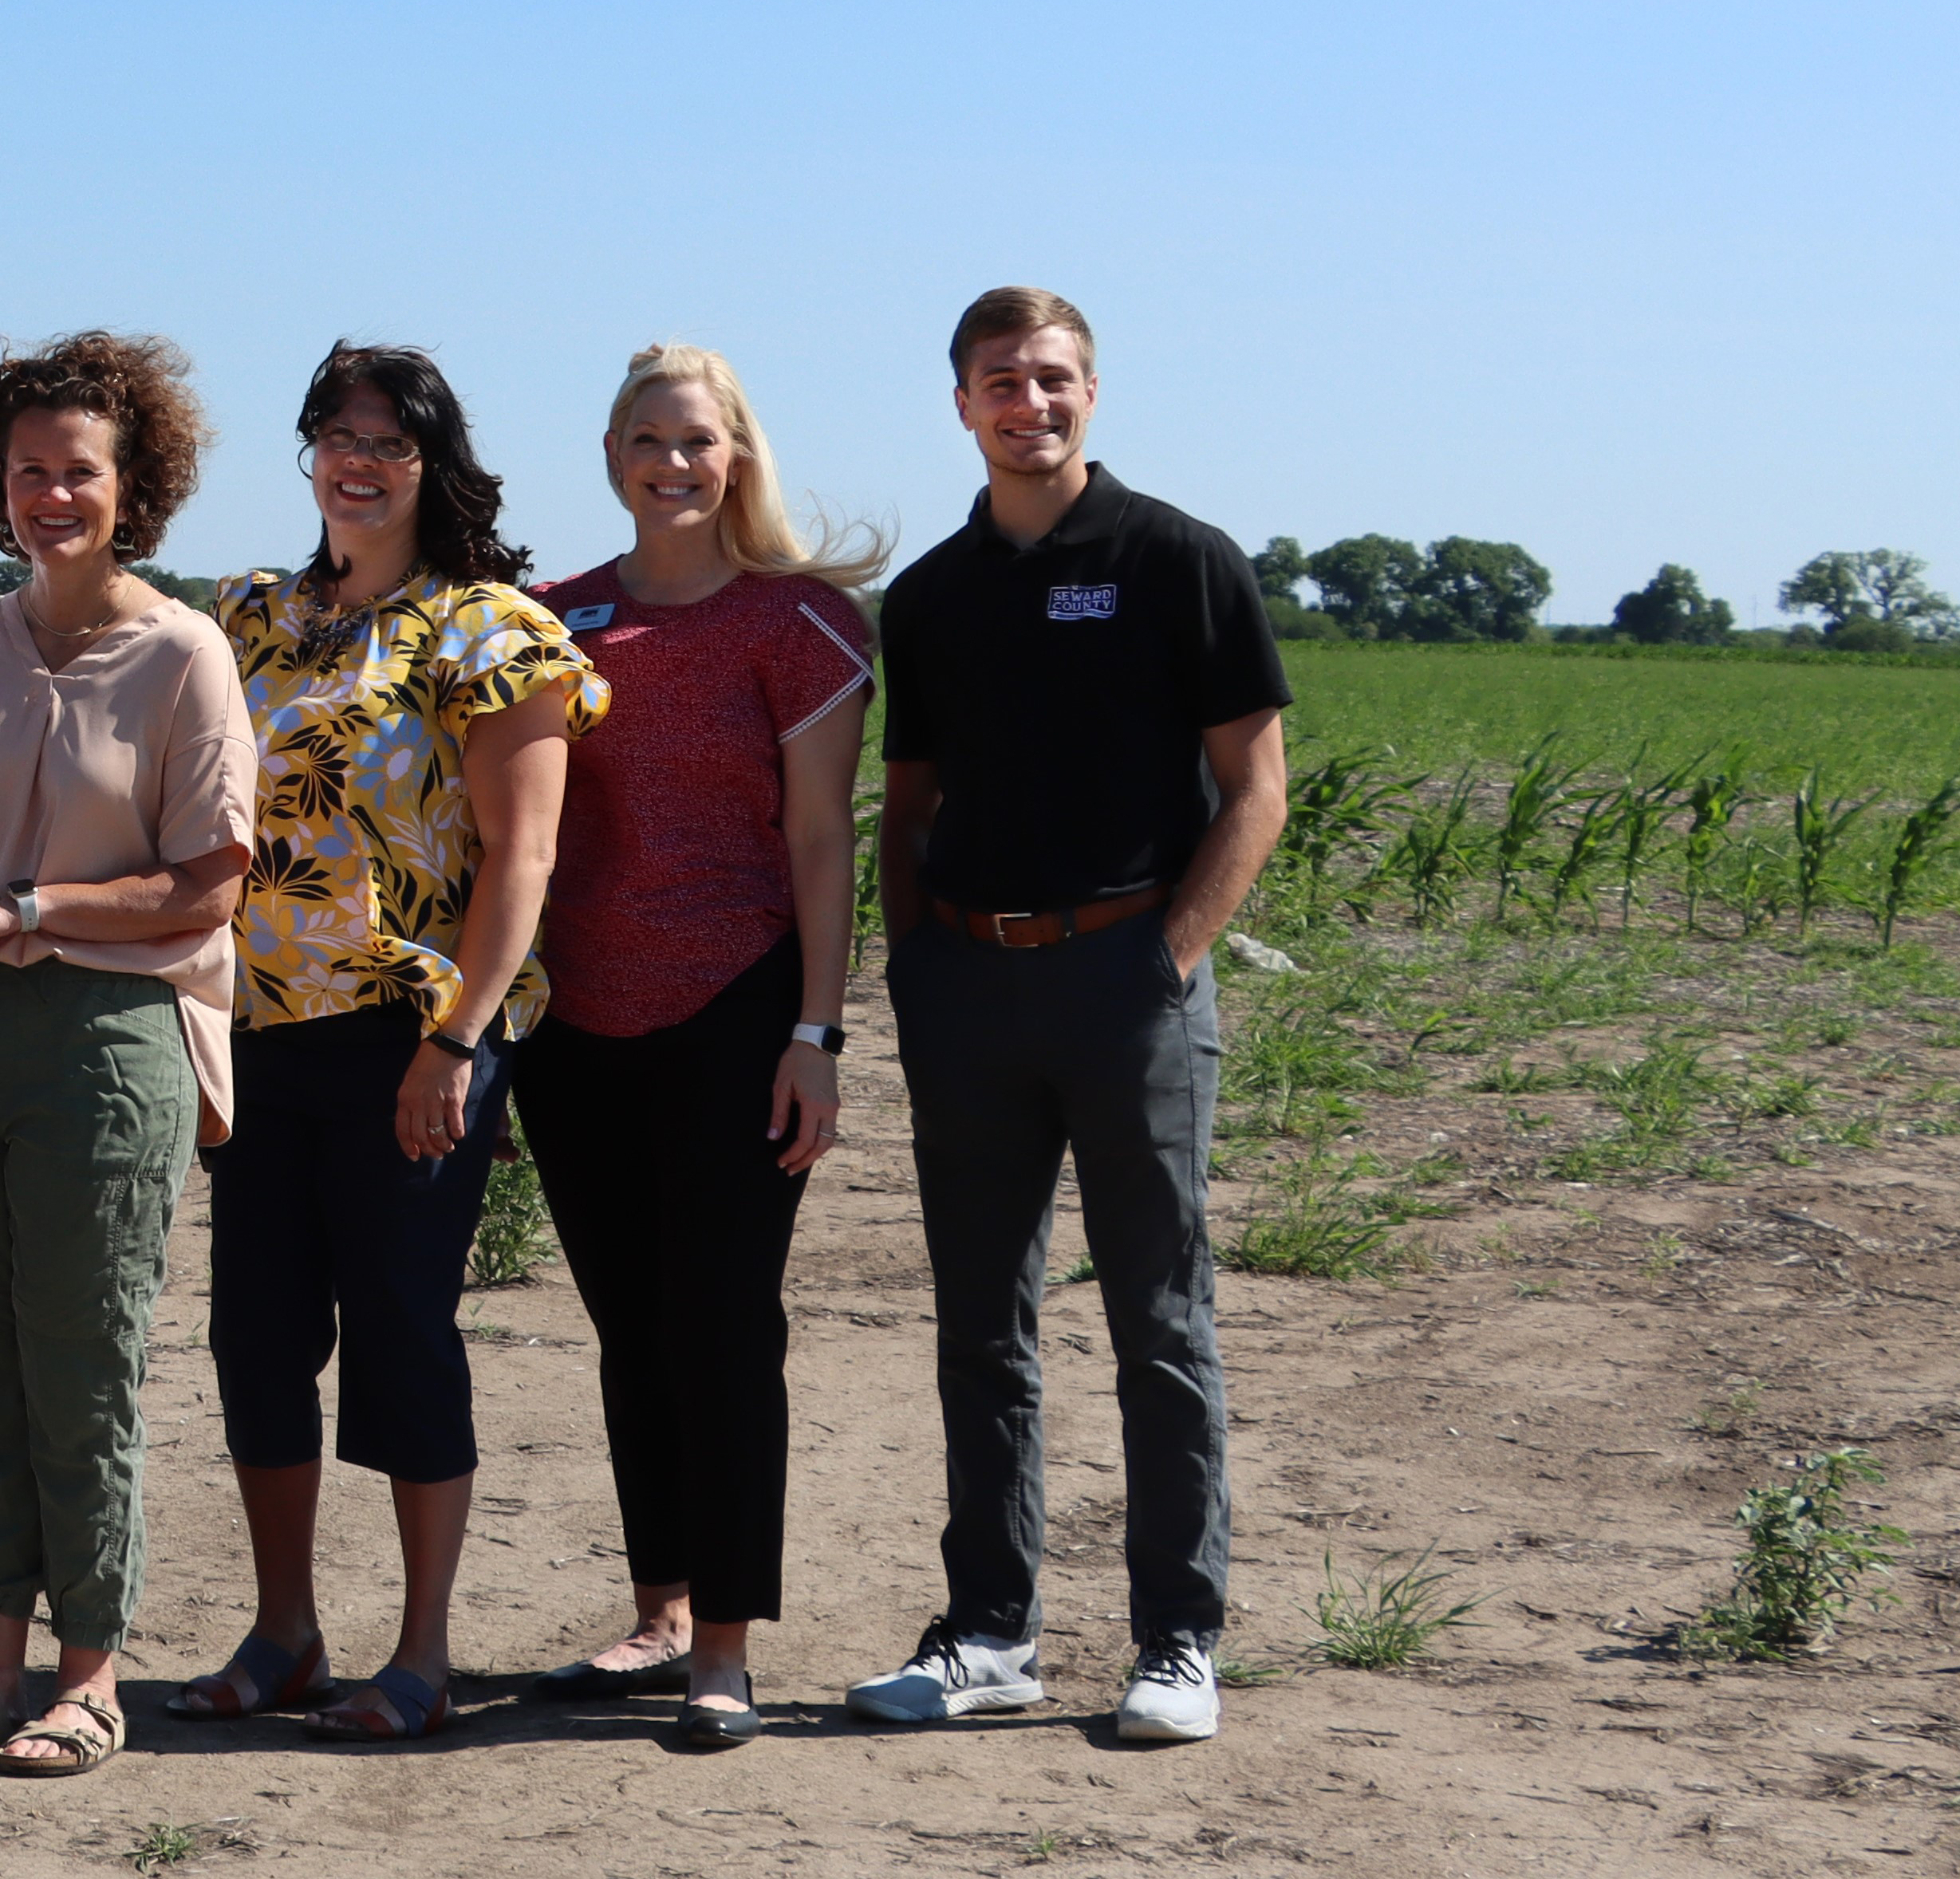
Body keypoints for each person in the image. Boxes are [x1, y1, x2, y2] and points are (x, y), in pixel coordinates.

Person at [846, 288, 1289, 1750]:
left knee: (1160, 1320)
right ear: (960, 405)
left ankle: (1179, 1641)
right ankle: (990, 1633)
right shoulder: (934, 594)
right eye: (998, 382)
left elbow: (1255, 793)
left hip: (1128, 983)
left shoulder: (1181, 564)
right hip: (973, 985)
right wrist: (918, 962)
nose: (1026, 404)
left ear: (1092, 394)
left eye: (1050, 380)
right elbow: (907, 806)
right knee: (983, 1328)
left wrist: (1164, 962)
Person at [164, 343, 595, 1749]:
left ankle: (423, 1652)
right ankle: (285, 1630)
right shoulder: (249, 618)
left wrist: (458, 1039)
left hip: (414, 1043)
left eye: (388, 442)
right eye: (335, 436)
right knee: (258, 1338)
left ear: (434, 464)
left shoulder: (489, 631)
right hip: (260, 1037)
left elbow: (519, 862)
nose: (358, 461)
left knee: (403, 1332)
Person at [0, 333, 254, 1782]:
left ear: (131, 483)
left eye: (78, 471)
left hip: (112, 1035)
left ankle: (88, 1679)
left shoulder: (184, 653)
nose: (51, 496)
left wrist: (25, 908)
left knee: (83, 1362)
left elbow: (206, 887)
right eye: (27, 472)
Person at [508, 345, 878, 1754]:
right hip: (574, 1020)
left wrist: (817, 1034)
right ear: (611, 455)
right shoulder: (553, 620)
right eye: (649, 438)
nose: (675, 461)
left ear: (738, 458)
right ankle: (657, 1611)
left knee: (723, 1327)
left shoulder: (802, 623)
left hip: (739, 1009)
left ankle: (724, 1644)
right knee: (628, 1324)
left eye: (701, 439)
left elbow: (820, 838)